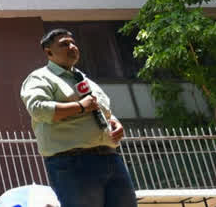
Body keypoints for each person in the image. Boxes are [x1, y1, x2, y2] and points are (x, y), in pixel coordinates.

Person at [20, 29, 135, 207]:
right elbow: (38, 109)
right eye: (64, 44)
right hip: (73, 162)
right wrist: (81, 106)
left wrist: (116, 123)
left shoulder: (86, 80)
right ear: (48, 52)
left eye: (73, 43)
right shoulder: (40, 78)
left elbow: (105, 111)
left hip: (111, 157)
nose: (72, 47)